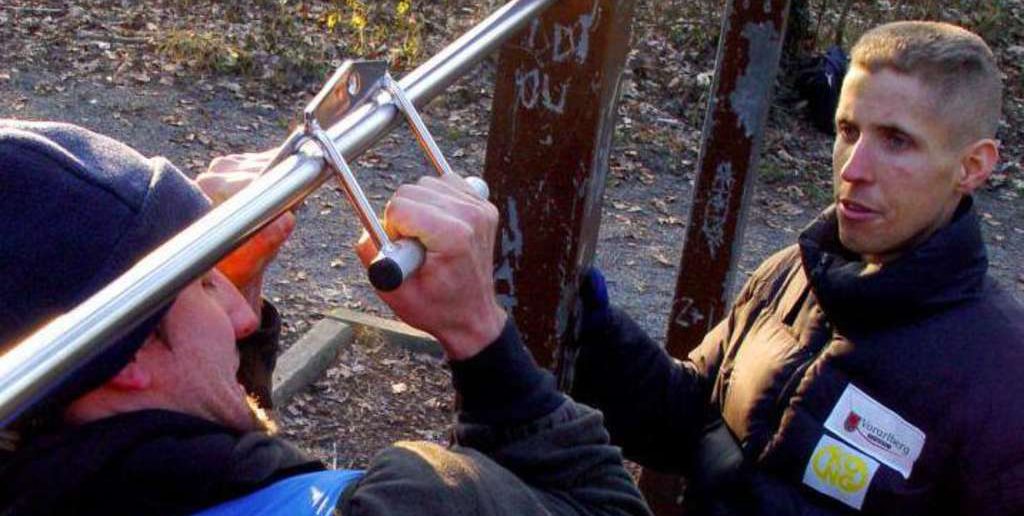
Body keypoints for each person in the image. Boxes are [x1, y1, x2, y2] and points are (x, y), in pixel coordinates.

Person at [0, 119, 650, 515]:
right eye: (203, 282)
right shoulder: (408, 502)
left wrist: (225, 286)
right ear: (128, 360)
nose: (244, 317)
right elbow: (604, 506)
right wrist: (479, 332)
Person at [568, 21, 1024, 515]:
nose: (853, 169)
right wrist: (596, 336)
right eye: (848, 131)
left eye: (896, 141)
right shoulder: (794, 272)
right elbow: (691, 419)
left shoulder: (1003, 383)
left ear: (972, 167)